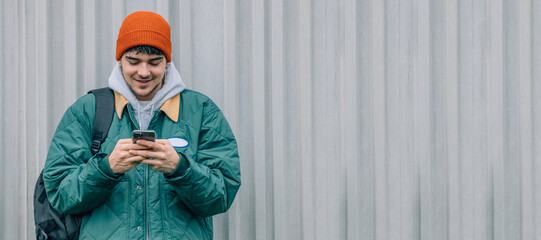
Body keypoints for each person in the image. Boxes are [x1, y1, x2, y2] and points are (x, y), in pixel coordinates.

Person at [43, 11, 241, 239]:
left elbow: (222, 195)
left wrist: (181, 169)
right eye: (134, 61)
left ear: (168, 61)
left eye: (154, 63)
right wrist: (106, 169)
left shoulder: (202, 111)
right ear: (119, 59)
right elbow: (59, 194)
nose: (144, 72)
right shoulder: (87, 110)